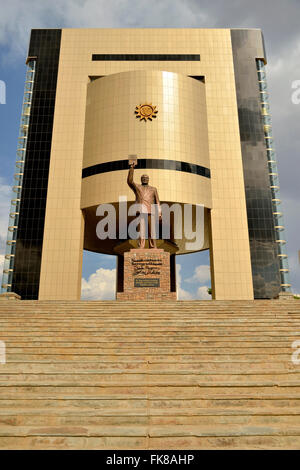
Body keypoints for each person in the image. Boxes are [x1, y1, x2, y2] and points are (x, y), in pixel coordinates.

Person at [127, 162, 162, 248]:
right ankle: (141, 247)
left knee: (152, 231)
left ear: (148, 179)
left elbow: (157, 202)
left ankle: (153, 246)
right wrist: (132, 168)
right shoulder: (138, 187)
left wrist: (160, 213)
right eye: (143, 178)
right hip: (141, 211)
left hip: (151, 212)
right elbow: (130, 181)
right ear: (141, 179)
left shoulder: (153, 189)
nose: (145, 179)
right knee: (141, 231)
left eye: (146, 178)